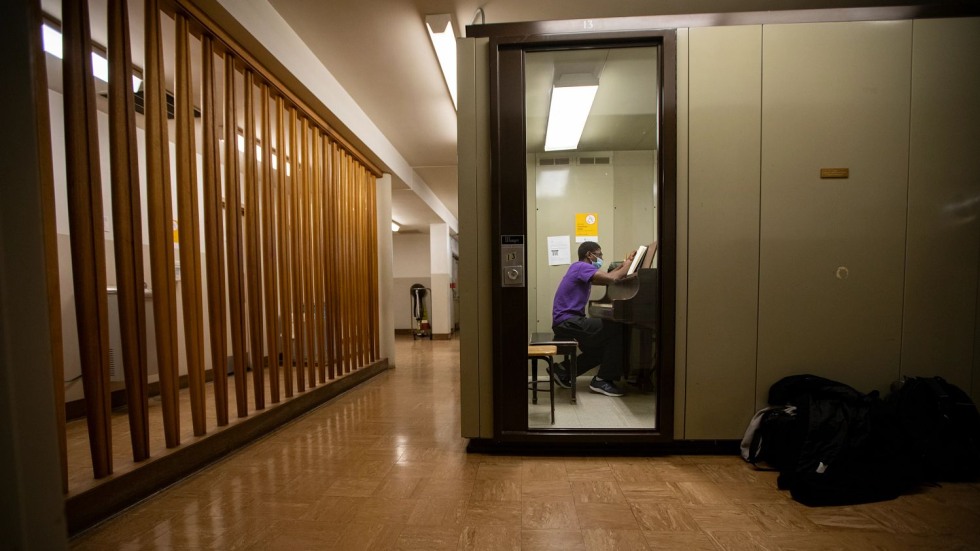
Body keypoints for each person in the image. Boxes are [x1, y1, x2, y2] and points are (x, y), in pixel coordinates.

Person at [551, 241, 635, 397]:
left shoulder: (580, 270)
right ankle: (602, 380)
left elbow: (609, 276)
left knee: (600, 348)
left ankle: (563, 371)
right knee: (616, 328)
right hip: (568, 321)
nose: (601, 257)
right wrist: (629, 264)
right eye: (599, 254)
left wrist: (625, 264)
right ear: (589, 255)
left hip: (567, 321)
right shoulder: (581, 267)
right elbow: (613, 278)